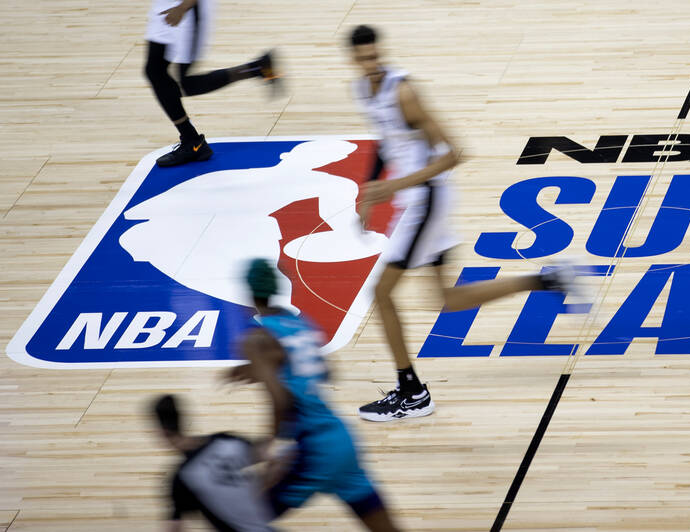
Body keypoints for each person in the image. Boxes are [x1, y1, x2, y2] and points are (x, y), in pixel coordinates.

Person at [347, 24, 578, 422]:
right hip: (413, 197)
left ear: (381, 51)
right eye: (364, 58)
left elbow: (454, 154)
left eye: (375, 55)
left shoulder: (404, 92)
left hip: (427, 198)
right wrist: (370, 189)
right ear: (353, 59)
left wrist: (394, 187)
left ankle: (412, 392)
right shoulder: (361, 90)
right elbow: (387, 141)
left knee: (380, 294)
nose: (372, 62)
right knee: (444, 300)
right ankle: (546, 281)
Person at [228, 259, 403, 531]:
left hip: (312, 449)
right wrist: (260, 370)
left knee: (243, 520)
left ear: (249, 294)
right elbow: (325, 372)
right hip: (342, 440)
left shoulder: (256, 339)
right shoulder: (299, 324)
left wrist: (273, 444)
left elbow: (280, 399)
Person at [144, 0, 282, 167]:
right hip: (165, 7)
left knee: (183, 84)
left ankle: (256, 68)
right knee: (155, 72)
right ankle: (192, 140)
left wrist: (183, 7)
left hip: (186, 9)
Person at [150, 394, 276, 531]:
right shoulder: (226, 440)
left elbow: (174, 528)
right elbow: (268, 456)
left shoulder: (183, 478)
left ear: (163, 433)